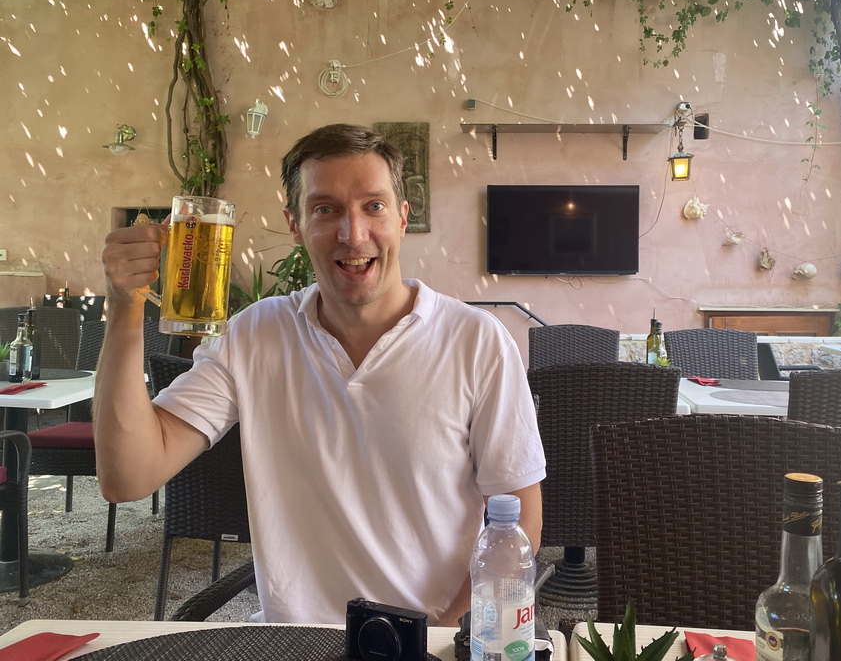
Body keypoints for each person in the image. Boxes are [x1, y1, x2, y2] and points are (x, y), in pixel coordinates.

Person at [94, 123, 546, 625]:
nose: (353, 234)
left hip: (430, 643)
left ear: (401, 218)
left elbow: (519, 519)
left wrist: (439, 638)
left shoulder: (476, 342)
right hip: (295, 644)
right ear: (295, 224)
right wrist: (124, 308)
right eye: (325, 209)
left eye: (373, 206)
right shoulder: (255, 336)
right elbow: (128, 476)